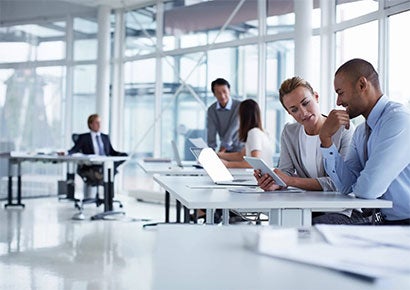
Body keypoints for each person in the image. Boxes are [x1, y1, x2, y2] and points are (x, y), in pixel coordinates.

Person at [254, 77, 363, 223]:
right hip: (309, 207)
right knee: (281, 223)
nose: (303, 112)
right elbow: (285, 171)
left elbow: (339, 183)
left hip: (343, 210)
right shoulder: (289, 132)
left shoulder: (344, 130)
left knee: (303, 228)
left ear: (316, 97)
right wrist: (275, 182)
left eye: (306, 103)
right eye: (294, 110)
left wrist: (291, 181)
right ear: (289, 112)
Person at [319, 58, 410, 225]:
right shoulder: (361, 131)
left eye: (340, 92)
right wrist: (325, 139)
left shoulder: (399, 120)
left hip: (405, 224)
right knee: (318, 228)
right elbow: (346, 186)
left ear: (362, 85)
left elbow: (368, 190)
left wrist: (359, 183)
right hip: (382, 222)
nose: (338, 102)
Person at [68, 114, 128, 198]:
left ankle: (109, 198)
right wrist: (66, 153)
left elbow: (111, 152)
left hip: (105, 164)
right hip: (91, 166)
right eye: (96, 123)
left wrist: (123, 155)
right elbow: (74, 150)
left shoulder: (105, 137)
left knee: (112, 165)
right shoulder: (84, 137)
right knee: (109, 171)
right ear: (90, 124)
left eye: (100, 122)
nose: (99, 125)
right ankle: (108, 196)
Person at [218, 99, 274, 168]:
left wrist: (228, 164)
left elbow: (255, 163)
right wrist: (218, 155)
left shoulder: (254, 133)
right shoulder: (260, 132)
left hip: (259, 177)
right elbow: (241, 155)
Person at [207, 78, 243, 153]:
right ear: (214, 94)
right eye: (218, 93)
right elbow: (211, 131)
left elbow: (234, 128)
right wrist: (211, 151)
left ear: (229, 91)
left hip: (241, 148)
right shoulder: (211, 110)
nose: (222, 96)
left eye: (224, 92)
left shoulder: (240, 106)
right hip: (226, 149)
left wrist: (223, 148)